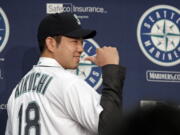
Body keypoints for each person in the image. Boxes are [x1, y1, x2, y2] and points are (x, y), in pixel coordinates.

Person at [5, 13, 126, 135]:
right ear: (51, 43)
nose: (80, 49)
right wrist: (111, 68)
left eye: (81, 42)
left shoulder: (15, 93)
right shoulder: (67, 83)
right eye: (74, 41)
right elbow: (112, 128)